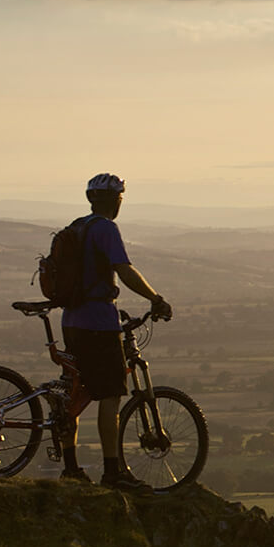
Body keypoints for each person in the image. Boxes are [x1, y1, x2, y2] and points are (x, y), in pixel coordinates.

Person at [59, 172, 173, 491]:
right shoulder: (106, 229)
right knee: (110, 395)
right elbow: (124, 271)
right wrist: (155, 299)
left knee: (75, 394)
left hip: (71, 320)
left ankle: (71, 468)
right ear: (116, 200)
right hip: (98, 322)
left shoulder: (77, 226)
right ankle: (113, 472)